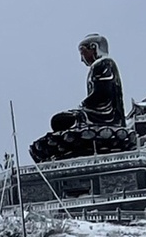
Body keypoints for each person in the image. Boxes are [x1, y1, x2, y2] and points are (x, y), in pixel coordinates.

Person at [31, 33, 132, 161]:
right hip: (94, 113)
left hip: (105, 116)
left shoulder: (104, 63)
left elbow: (102, 94)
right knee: (60, 121)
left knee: (60, 121)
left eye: (82, 53)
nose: (81, 59)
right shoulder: (97, 66)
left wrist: (83, 106)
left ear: (93, 47)